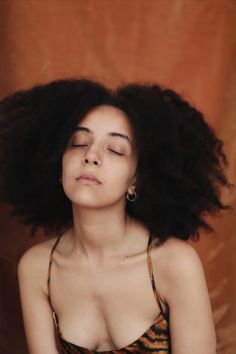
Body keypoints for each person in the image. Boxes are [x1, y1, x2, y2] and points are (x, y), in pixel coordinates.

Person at [0, 78, 232, 354]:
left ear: (136, 180)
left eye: (115, 149)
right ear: (57, 164)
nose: (91, 155)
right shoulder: (38, 268)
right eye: (78, 142)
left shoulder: (174, 264)